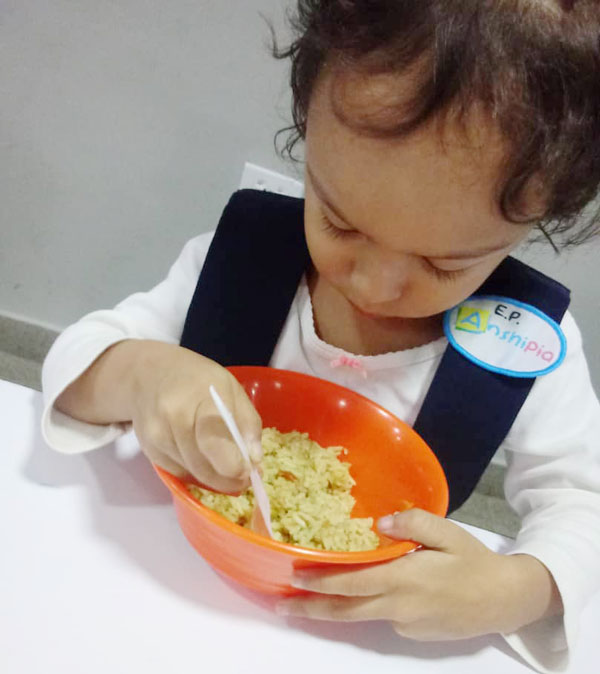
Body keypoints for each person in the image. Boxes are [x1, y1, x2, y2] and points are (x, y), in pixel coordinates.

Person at [42, 2, 600, 673]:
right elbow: (76, 364)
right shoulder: (240, 258)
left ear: (537, 218)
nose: (375, 283)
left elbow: (583, 500)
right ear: (308, 128)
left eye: (442, 263)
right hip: (154, 603)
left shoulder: (529, 347)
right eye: (340, 222)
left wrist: (519, 589)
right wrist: (141, 375)